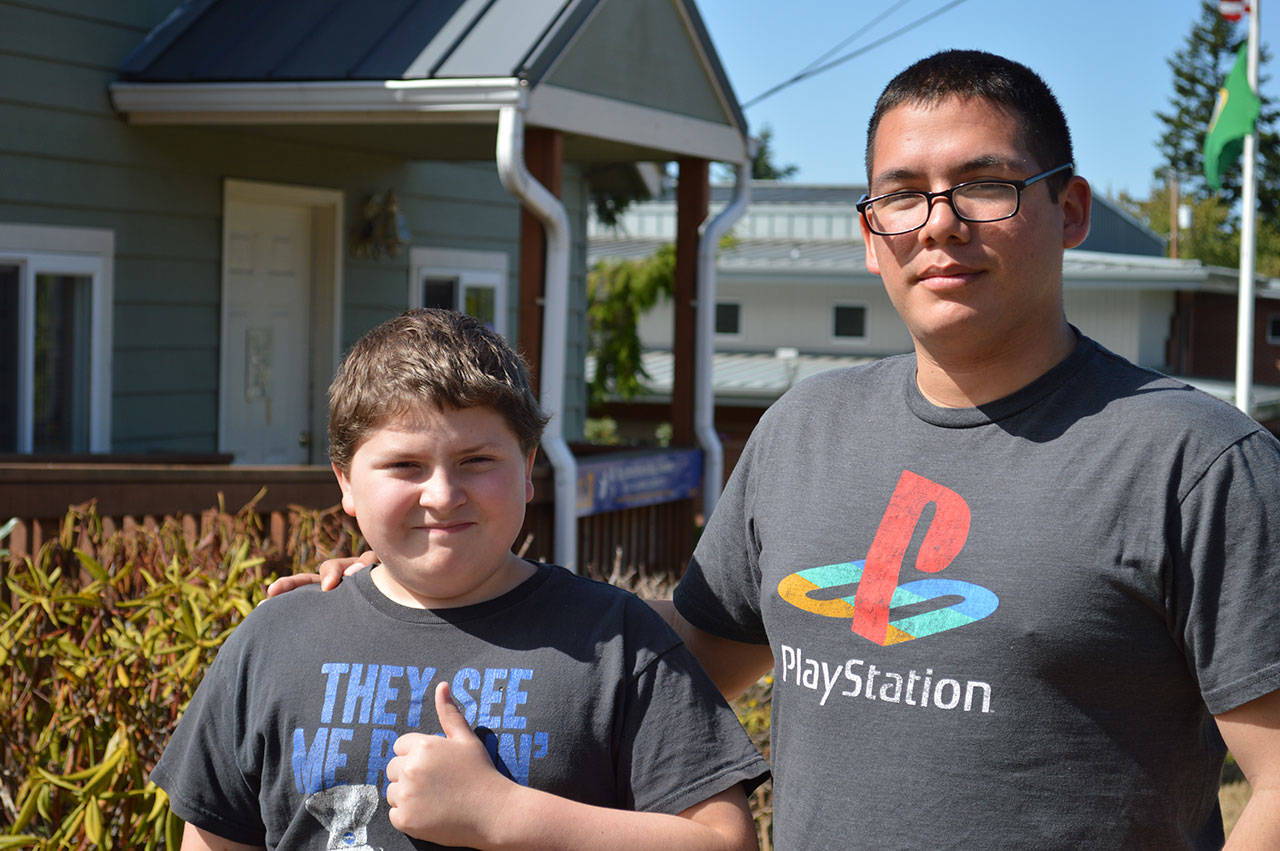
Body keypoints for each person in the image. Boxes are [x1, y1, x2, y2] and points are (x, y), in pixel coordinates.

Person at [279, 51, 1280, 848]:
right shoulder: (806, 426)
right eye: (901, 194)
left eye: (983, 186)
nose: (938, 224)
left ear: (1066, 211)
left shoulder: (1190, 459)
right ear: (866, 232)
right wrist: (421, 591)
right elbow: (684, 658)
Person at [154, 309, 768, 851]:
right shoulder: (275, 640)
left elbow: (724, 840)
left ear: (528, 470)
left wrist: (507, 816)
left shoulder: (616, 643)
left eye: (477, 461)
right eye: (405, 465)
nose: (443, 495)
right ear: (345, 482)